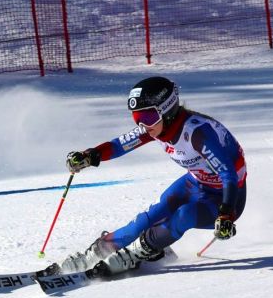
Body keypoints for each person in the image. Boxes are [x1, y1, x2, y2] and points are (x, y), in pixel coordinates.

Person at [42, 76, 247, 277]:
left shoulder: (196, 132)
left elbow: (227, 174)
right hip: (195, 184)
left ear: (167, 110)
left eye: (147, 118)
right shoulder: (154, 129)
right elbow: (119, 145)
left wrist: (226, 214)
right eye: (137, 119)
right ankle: (97, 252)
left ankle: (139, 251)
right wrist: (89, 156)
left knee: (184, 215)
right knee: (145, 220)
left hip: (228, 197)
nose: (143, 126)